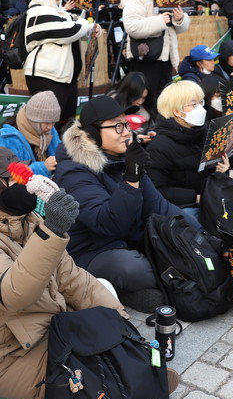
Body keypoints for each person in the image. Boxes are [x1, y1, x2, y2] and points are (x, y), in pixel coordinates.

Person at [0, 146, 149, 399]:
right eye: (15, 179)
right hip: (4, 360)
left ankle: (142, 374)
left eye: (25, 174)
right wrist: (51, 232)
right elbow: (11, 293)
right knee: (102, 385)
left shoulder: (24, 219)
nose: (27, 183)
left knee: (115, 339)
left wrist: (122, 323)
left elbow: (74, 279)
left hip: (47, 332)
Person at [53, 95, 181, 312]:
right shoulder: (74, 171)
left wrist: (202, 240)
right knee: (137, 268)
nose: (126, 131)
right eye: (118, 126)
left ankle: (130, 291)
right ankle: (112, 290)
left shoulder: (122, 156)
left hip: (127, 241)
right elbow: (108, 224)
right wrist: (132, 179)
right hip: (90, 253)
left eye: (127, 123)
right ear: (92, 134)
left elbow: (160, 206)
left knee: (186, 226)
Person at [147, 80, 233, 217]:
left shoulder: (204, 131)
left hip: (211, 193)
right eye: (193, 104)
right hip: (186, 205)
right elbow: (157, 190)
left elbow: (212, 173)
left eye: (201, 102)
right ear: (177, 112)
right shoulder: (158, 147)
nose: (201, 108)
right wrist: (196, 197)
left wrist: (223, 171)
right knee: (191, 218)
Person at [23, 0, 92, 124]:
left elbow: (74, 32)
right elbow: (70, 31)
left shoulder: (58, 11)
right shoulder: (38, 12)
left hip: (63, 79)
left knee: (65, 125)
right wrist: (84, 23)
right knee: (48, 126)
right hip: (47, 78)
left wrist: (90, 29)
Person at [122, 0, 191, 106]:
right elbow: (131, 27)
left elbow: (180, 28)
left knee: (164, 102)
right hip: (146, 58)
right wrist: (160, 21)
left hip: (166, 58)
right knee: (148, 101)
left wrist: (179, 19)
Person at [0, 91, 62, 177]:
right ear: (34, 119)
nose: (50, 127)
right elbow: (8, 175)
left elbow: (59, 154)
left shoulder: (49, 131)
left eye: (53, 122)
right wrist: (43, 168)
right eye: (46, 122)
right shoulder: (9, 138)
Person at [107, 71, 153, 136]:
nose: (140, 102)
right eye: (137, 97)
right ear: (128, 94)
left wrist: (150, 133)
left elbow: (152, 127)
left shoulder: (145, 108)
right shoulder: (113, 103)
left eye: (144, 98)